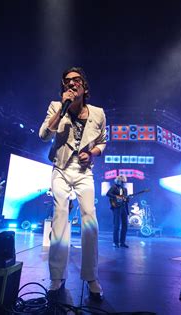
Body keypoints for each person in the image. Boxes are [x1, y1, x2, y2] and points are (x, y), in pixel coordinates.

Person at [39, 66, 107, 300]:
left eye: (76, 80)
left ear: (84, 86)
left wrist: (94, 152)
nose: (71, 84)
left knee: (90, 219)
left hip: (84, 171)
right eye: (67, 82)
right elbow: (43, 135)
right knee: (60, 218)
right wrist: (63, 109)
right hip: (61, 169)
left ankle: (91, 276)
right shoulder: (56, 107)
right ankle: (57, 276)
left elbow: (102, 141)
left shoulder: (98, 113)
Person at [106, 175, 129, 248]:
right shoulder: (114, 187)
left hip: (124, 208)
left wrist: (127, 199)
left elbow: (126, 200)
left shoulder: (125, 189)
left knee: (125, 225)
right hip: (116, 208)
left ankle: (122, 242)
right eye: (122, 182)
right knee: (117, 225)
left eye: (124, 182)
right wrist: (117, 197)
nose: (123, 183)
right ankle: (115, 242)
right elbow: (108, 194)